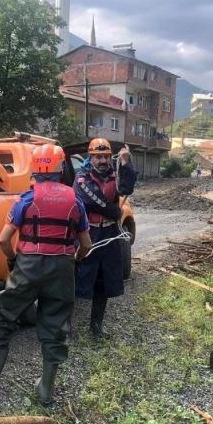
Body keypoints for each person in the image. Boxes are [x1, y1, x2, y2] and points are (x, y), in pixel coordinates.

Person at [0, 144, 92, 406]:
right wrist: (74, 260)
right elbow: (86, 245)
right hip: (62, 267)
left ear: (36, 167)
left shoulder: (27, 199)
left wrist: (13, 260)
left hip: (28, 265)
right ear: (60, 168)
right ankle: (46, 389)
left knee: (4, 314)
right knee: (56, 325)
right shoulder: (74, 200)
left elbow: (3, 240)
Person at [73, 139, 137, 337]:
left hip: (109, 234)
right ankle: (65, 327)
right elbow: (92, 201)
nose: (102, 160)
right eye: (98, 157)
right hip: (88, 233)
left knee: (105, 279)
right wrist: (114, 211)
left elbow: (126, 188)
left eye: (106, 156)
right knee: (77, 277)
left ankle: (96, 325)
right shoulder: (82, 178)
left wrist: (126, 163)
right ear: (90, 158)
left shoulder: (114, 175)